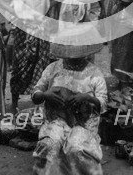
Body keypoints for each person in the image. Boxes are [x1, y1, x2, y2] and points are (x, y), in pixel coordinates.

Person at [31, 39, 107, 175]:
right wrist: (45, 94)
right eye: (70, 56)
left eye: (77, 57)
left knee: (76, 147)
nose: (73, 60)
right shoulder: (53, 68)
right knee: (49, 144)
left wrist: (87, 97)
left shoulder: (94, 73)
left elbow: (103, 103)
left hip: (83, 124)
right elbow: (35, 95)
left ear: (85, 54)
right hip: (56, 121)